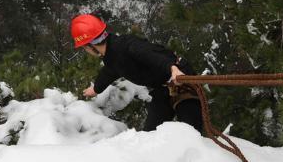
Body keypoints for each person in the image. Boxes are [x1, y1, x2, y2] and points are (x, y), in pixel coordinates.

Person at [71, 13, 203, 133]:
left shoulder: (126, 45)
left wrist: (172, 68)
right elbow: (109, 72)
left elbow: (150, 54)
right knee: (150, 135)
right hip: (162, 88)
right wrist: (96, 89)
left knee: (191, 133)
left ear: (89, 46)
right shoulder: (111, 56)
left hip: (181, 78)